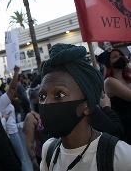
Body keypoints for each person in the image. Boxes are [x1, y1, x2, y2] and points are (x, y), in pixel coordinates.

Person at [39, 43, 131, 171]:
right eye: (42, 96)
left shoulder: (120, 157)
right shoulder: (48, 150)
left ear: (87, 105)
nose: (46, 103)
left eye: (59, 94)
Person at [104, 48, 131, 144]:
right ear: (109, 63)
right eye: (115, 57)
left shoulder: (127, 77)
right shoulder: (109, 81)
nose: (120, 58)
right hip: (126, 125)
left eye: (120, 55)